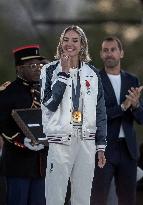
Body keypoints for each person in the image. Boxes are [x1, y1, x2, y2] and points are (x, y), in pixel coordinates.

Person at [40, 25, 107, 205]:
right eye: (66, 40)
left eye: (75, 40)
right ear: (60, 43)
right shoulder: (49, 70)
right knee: (55, 197)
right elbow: (49, 104)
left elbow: (100, 111)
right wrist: (63, 73)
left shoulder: (92, 73)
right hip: (60, 140)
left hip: (86, 141)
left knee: (82, 198)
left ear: (82, 45)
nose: (70, 44)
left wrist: (101, 146)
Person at [90, 36, 143, 205]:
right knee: (98, 198)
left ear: (121, 53)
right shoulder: (93, 79)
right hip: (103, 149)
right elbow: (98, 115)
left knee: (128, 199)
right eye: (105, 50)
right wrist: (123, 106)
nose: (109, 54)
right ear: (101, 54)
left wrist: (135, 106)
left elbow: (140, 118)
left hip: (128, 150)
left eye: (113, 50)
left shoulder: (132, 80)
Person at [0, 45, 49, 205]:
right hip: (18, 165)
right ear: (19, 68)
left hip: (42, 165)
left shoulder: (47, 91)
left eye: (40, 65)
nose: (38, 69)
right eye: (32, 66)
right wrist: (23, 141)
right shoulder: (8, 93)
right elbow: (3, 126)